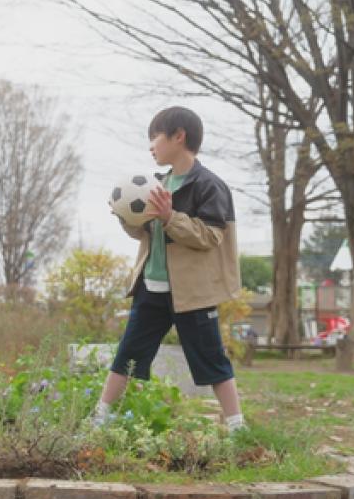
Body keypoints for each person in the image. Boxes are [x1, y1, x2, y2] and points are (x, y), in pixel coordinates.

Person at [91, 106, 245, 432]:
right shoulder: (155, 183)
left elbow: (210, 236)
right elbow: (145, 234)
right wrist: (125, 216)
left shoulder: (209, 186)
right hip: (152, 287)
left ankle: (237, 426)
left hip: (192, 294)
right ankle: (99, 419)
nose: (151, 146)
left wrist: (170, 217)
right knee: (127, 356)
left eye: (155, 138)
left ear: (179, 137)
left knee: (212, 359)